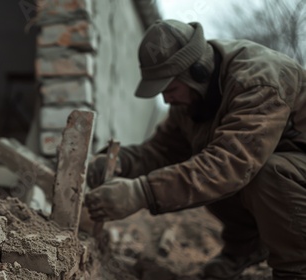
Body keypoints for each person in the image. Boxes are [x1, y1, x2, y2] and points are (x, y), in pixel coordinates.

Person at [84, 19, 306, 280]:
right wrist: (122, 163)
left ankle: (297, 269)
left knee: (258, 173)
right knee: (204, 168)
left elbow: (230, 165)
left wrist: (140, 192)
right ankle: (245, 249)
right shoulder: (191, 102)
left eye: (170, 88)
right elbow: (162, 152)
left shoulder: (258, 81)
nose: (166, 99)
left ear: (197, 72)